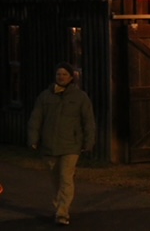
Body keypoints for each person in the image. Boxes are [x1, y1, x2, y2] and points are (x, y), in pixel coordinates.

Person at [28, 62, 96, 226]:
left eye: (65, 74)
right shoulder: (45, 96)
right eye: (59, 74)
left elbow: (88, 121)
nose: (61, 77)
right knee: (55, 178)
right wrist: (33, 138)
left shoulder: (80, 97)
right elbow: (36, 118)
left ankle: (62, 212)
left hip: (71, 145)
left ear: (71, 77)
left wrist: (89, 142)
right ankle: (59, 206)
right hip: (49, 144)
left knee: (66, 178)